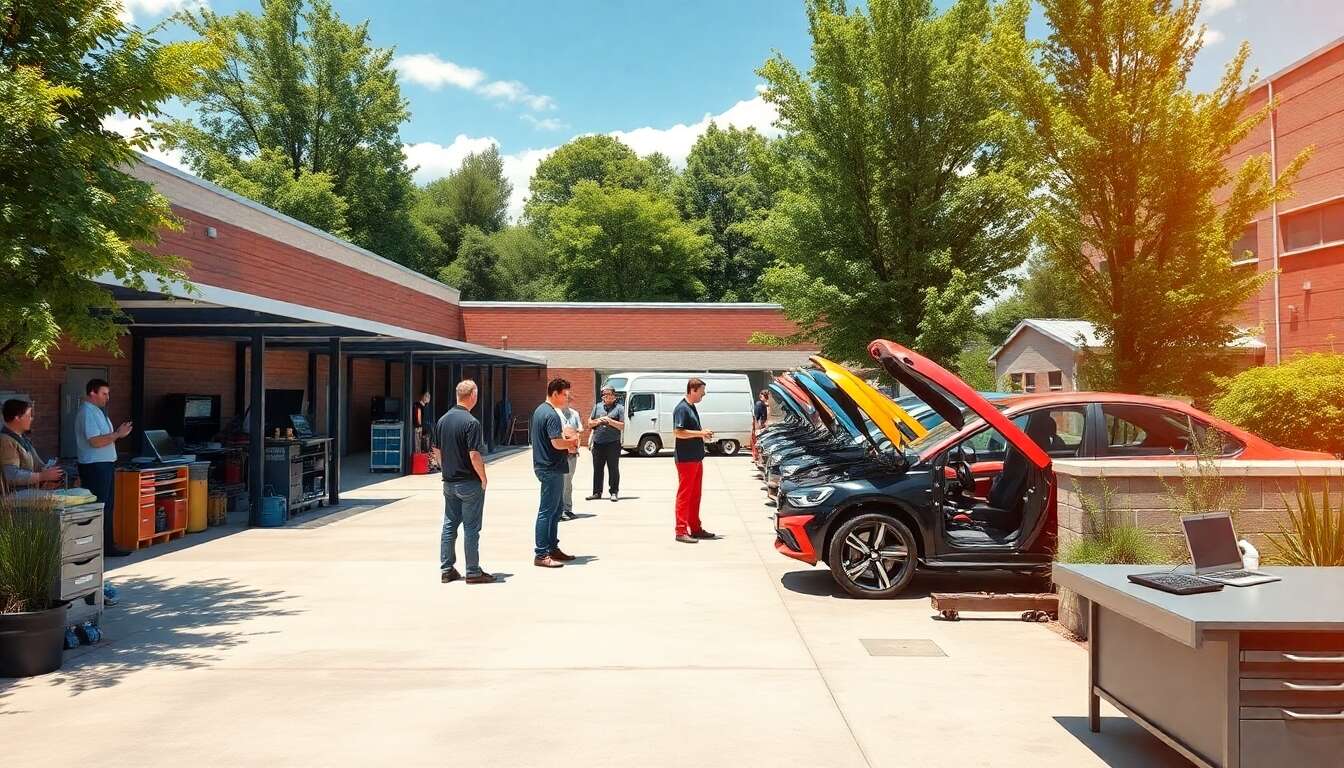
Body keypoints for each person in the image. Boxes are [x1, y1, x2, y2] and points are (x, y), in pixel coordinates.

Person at [433, 380, 495, 584]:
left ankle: (447, 569)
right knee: (471, 528)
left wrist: (446, 469)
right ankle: (473, 571)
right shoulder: (471, 422)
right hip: (469, 482)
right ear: (473, 395)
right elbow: (474, 454)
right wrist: (483, 478)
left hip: (449, 482)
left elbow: (436, 450)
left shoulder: (442, 420)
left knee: (449, 525)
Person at [76, 379, 132, 556]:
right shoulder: (87, 412)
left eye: (108, 393)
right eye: (104, 393)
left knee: (107, 507)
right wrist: (118, 434)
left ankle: (107, 545)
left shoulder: (98, 412)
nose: (107, 397)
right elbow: (94, 441)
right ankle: (99, 547)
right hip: (95, 466)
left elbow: (105, 438)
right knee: (99, 507)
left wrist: (117, 434)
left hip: (104, 465)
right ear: (92, 393)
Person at [531, 377, 579, 568]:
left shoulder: (540, 411)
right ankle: (541, 553)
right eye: (565, 394)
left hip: (549, 466)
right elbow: (556, 442)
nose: (567, 398)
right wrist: (572, 441)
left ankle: (552, 547)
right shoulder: (550, 414)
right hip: (550, 467)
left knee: (555, 510)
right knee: (547, 511)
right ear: (556, 393)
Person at [672, 378, 717, 544]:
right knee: (685, 496)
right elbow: (678, 432)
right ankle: (681, 530)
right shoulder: (681, 409)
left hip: (696, 458)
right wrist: (700, 433)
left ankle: (695, 528)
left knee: (695, 496)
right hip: (686, 459)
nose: (703, 395)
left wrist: (701, 435)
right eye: (702, 392)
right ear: (693, 389)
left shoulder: (691, 408)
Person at [0, 399, 64, 493]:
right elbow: (11, 476)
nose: (32, 419)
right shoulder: (5, 441)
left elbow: (38, 466)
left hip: (30, 494)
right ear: (17, 417)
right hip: (14, 500)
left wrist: (51, 475)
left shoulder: (23, 439)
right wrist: (41, 476)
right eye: (29, 415)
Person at [586, 386, 624, 502]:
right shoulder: (597, 407)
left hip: (613, 443)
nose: (606, 397)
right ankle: (597, 492)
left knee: (613, 468)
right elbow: (590, 423)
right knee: (597, 469)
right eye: (604, 395)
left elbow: (622, 426)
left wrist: (610, 421)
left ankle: (614, 492)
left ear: (614, 396)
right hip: (598, 443)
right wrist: (598, 421)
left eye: (608, 394)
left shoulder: (619, 408)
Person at [559, 392, 584, 521]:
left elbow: (580, 430)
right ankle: (560, 510)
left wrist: (575, 438)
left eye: (568, 399)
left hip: (572, 453)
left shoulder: (574, 414)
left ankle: (567, 509)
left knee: (568, 482)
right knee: (561, 482)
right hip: (560, 453)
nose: (566, 400)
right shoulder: (555, 414)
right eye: (564, 398)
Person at [751, 389, 770, 463]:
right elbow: (756, 417)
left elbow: (756, 417)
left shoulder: (764, 404)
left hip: (762, 426)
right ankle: (757, 457)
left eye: (763, 394)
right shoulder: (760, 404)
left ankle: (757, 457)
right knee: (758, 442)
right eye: (761, 394)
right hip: (761, 425)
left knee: (759, 442)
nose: (761, 395)